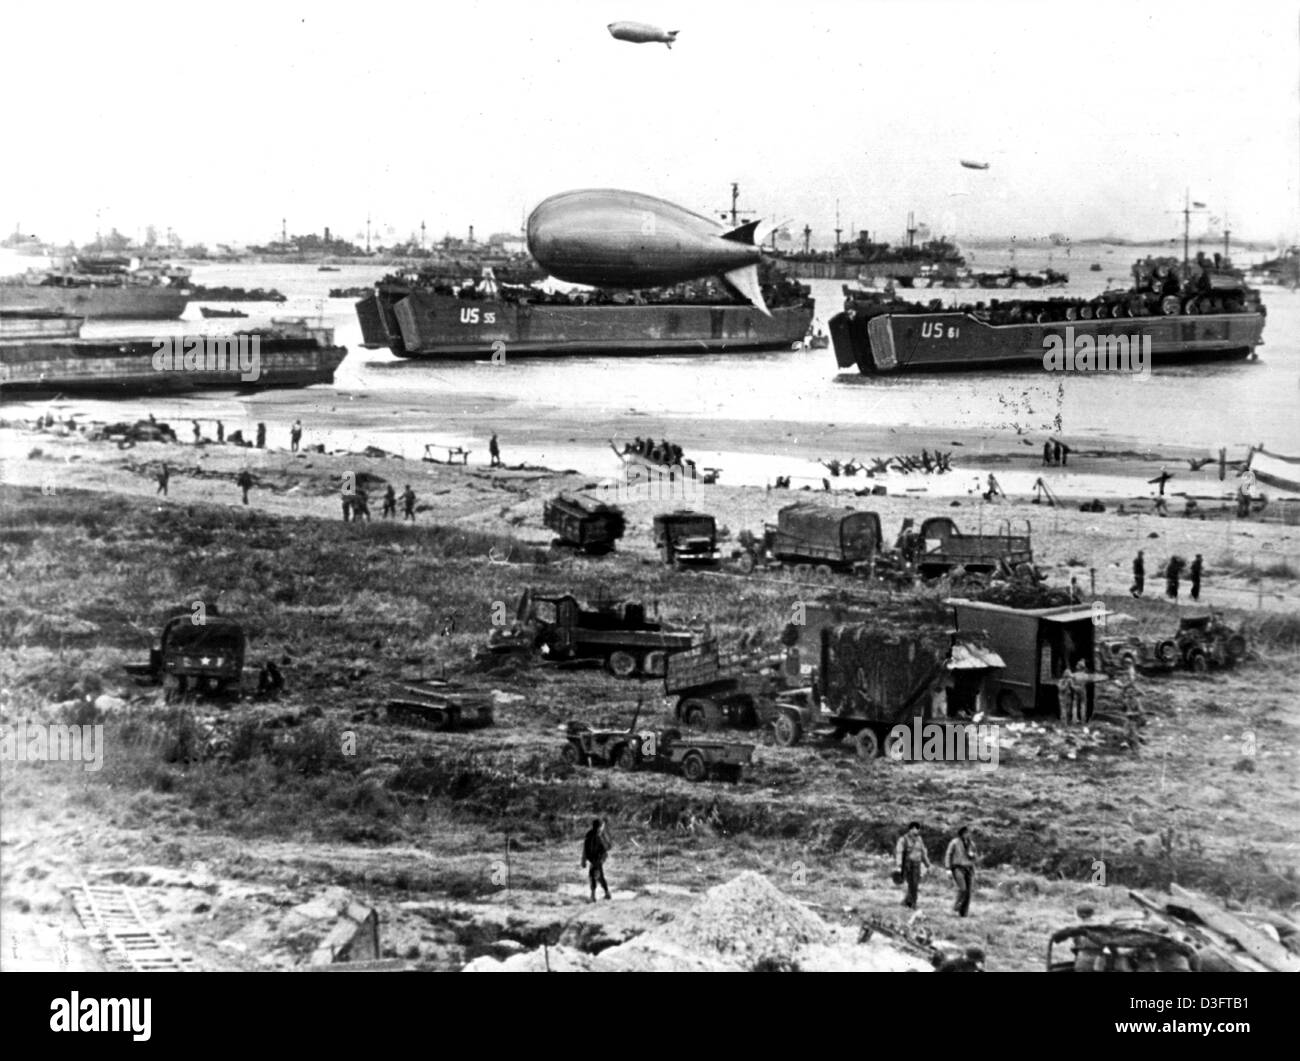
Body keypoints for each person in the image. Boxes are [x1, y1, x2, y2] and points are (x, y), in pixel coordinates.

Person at [895, 821, 930, 909]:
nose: (916, 831)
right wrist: (899, 865)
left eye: (917, 829)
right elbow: (899, 852)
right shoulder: (903, 839)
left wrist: (927, 864)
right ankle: (913, 903)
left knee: (914, 884)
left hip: (917, 864)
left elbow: (923, 852)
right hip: (907, 864)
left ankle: (907, 901)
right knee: (912, 884)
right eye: (914, 828)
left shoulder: (920, 840)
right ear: (910, 829)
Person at [944, 826, 977, 917]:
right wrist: (948, 868)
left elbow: (975, 857)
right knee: (962, 889)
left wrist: (972, 855)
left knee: (968, 892)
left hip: (969, 869)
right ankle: (955, 908)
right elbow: (948, 855)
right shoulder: (954, 842)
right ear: (961, 833)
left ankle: (964, 913)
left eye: (968, 833)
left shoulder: (971, 844)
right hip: (958, 868)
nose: (967, 834)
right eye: (965, 833)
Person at [580, 818, 612, 902]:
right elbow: (587, 848)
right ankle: (605, 893)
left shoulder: (594, 835)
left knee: (593, 875)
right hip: (595, 858)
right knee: (598, 876)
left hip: (596, 858)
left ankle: (594, 896)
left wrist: (585, 859)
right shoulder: (594, 835)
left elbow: (603, 848)